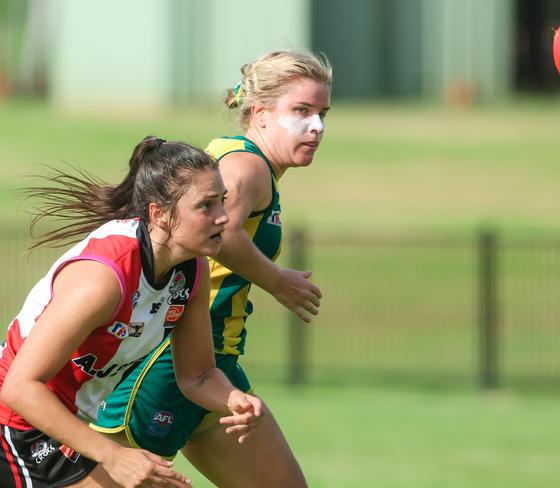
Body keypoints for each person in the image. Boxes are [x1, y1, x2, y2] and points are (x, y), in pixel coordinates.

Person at [93, 50, 332, 487]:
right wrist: (277, 281)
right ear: (259, 113)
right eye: (302, 111)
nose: (317, 126)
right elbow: (224, 236)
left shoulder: (241, 160)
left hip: (215, 363)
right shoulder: (247, 167)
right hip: (173, 360)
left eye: (322, 113)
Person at [0, 136, 264, 487]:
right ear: (160, 214)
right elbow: (19, 387)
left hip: (57, 425)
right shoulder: (104, 279)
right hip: (16, 424)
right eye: (206, 205)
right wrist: (112, 455)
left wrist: (232, 398)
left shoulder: (192, 269)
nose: (223, 217)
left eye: (222, 201)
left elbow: (197, 376)